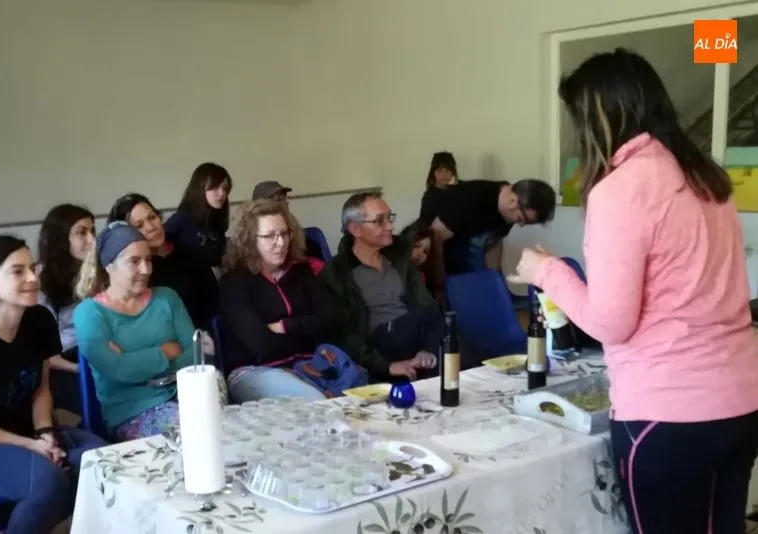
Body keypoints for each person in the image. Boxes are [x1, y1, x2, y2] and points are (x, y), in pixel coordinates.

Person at [508, 49, 758, 534]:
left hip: (670, 411)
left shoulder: (622, 189)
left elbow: (611, 323)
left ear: (600, 118)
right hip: (740, 399)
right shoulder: (706, 178)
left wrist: (548, 272)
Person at [0, 235, 106, 534]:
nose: (32, 278)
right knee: (48, 480)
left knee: (102, 463)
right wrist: (29, 444)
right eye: (18, 271)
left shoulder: (38, 320)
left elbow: (41, 387)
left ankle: (4, 528)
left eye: (32, 268)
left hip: (29, 433)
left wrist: (45, 433)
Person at [73, 222, 199, 442]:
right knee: (196, 431)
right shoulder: (90, 313)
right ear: (109, 265)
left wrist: (134, 363)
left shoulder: (167, 298)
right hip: (132, 413)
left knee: (224, 424)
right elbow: (117, 370)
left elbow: (194, 355)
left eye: (148, 260)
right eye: (134, 261)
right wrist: (165, 352)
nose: (146, 269)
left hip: (187, 395)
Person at [319, 192, 450, 383]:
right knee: (437, 328)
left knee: (449, 332)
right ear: (356, 229)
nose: (390, 226)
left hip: (414, 334)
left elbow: (425, 303)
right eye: (380, 221)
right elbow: (345, 335)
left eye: (389, 218)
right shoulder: (337, 273)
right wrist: (385, 366)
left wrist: (426, 349)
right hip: (378, 343)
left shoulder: (399, 259)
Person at [219, 199, 332, 402]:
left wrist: (286, 326)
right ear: (250, 240)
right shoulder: (234, 283)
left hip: (308, 363)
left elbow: (329, 320)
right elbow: (262, 347)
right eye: (270, 236)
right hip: (254, 372)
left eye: (284, 233)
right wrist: (307, 331)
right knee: (316, 402)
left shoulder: (302, 272)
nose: (280, 243)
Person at [419, 177, 556, 300]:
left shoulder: (507, 211)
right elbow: (434, 238)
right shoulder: (471, 199)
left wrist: (495, 280)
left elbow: (493, 241)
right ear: (513, 201)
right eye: (520, 219)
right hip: (435, 261)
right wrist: (440, 284)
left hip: (467, 263)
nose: (520, 224)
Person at [108, 193, 219, 330]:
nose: (151, 227)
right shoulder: (132, 270)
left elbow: (213, 302)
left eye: (152, 217)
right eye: (139, 225)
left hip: (199, 334)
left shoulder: (189, 252)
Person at [36, 203, 95, 415]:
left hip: (96, 352)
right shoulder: (40, 280)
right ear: (60, 239)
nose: (91, 240)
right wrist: (81, 370)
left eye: (92, 231)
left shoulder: (96, 271)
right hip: (63, 363)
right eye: (81, 233)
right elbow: (43, 352)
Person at [164, 162, 232, 273]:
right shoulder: (182, 218)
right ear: (200, 188)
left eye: (225, 188)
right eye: (215, 187)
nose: (222, 193)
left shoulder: (217, 219)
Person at [250, 180, 326, 262]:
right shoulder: (250, 236)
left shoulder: (302, 237)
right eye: (277, 199)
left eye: (284, 199)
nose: (284, 203)